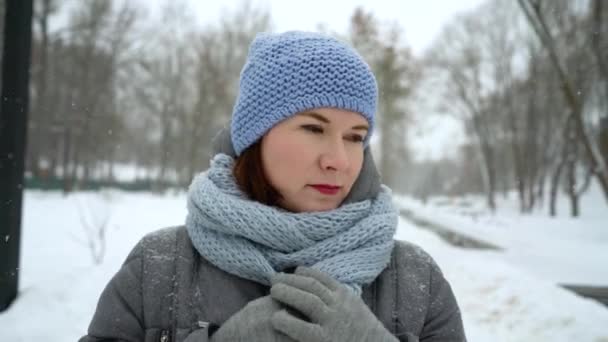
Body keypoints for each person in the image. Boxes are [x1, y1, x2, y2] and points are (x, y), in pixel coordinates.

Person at [80, 31, 466, 342]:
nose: (339, 160)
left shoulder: (415, 281)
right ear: (256, 138)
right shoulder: (159, 269)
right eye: (314, 129)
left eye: (355, 137)